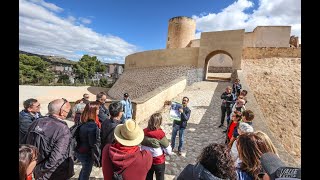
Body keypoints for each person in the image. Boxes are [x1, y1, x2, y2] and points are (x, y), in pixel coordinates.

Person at [24, 98, 74, 180]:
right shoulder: (62, 128)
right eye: (68, 109)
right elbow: (57, 157)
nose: (70, 112)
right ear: (61, 111)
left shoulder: (36, 122)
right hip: (53, 173)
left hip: (37, 169)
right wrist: (42, 171)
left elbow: (26, 145)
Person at [141, 113, 172, 180]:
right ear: (159, 122)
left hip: (146, 160)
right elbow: (169, 151)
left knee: (148, 178)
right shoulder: (160, 134)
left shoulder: (143, 132)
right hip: (158, 161)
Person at [75, 101, 102, 180]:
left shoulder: (84, 121)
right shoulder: (92, 125)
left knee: (84, 170)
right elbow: (93, 143)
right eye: (97, 109)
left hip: (80, 150)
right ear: (93, 111)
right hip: (86, 152)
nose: (99, 111)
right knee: (86, 172)